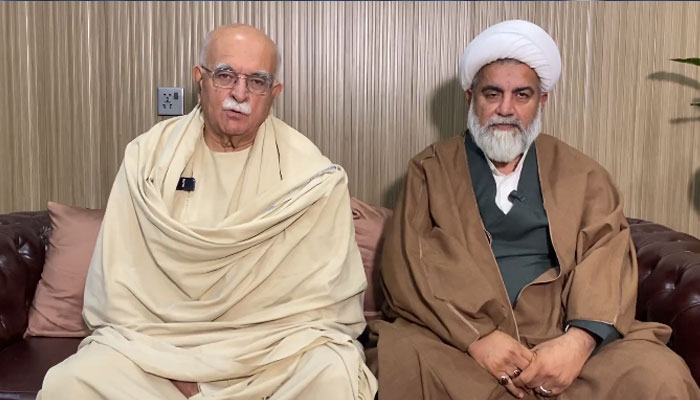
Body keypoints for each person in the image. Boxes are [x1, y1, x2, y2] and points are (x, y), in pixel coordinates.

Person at [39, 24, 377, 400]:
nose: (239, 94)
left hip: (271, 357)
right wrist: (175, 368)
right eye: (226, 75)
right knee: (71, 382)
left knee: (332, 374)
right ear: (200, 79)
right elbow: (118, 288)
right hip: (157, 353)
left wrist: (239, 367)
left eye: (257, 81)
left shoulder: (312, 177)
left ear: (274, 92)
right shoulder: (147, 160)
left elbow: (325, 307)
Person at [371, 20, 700, 399]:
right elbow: (410, 264)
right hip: (455, 338)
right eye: (492, 94)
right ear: (470, 98)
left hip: (559, 332)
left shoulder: (583, 173)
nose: (505, 109)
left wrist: (578, 342)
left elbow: (606, 254)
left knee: (657, 374)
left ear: (541, 101)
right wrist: (478, 338)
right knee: (401, 362)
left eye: (522, 95)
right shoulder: (430, 169)